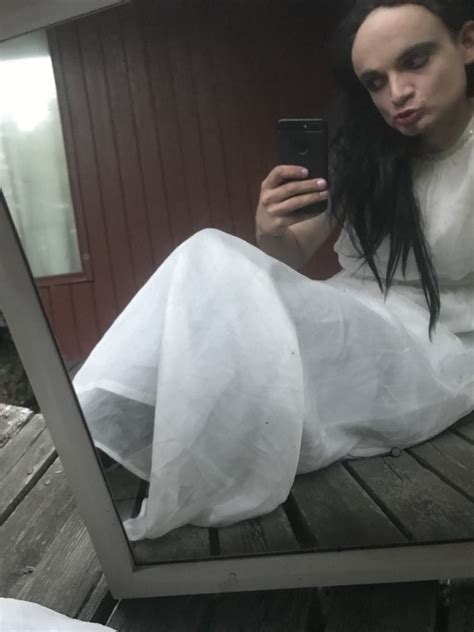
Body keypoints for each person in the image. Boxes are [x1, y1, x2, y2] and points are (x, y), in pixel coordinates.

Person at [74, 0, 474, 540]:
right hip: (354, 313)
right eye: (375, 82)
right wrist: (270, 229)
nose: (396, 93)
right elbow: (288, 256)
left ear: (466, 43)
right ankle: (94, 427)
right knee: (209, 256)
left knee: (220, 285)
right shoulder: (367, 152)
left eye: (415, 62)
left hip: (437, 346)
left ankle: (100, 428)